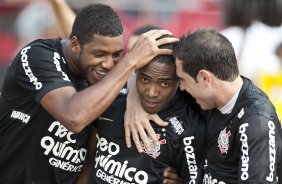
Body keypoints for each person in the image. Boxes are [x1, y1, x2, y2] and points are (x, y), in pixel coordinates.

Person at [0, 3, 177, 183]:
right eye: (100, 54)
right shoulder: (37, 56)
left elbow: (92, 160)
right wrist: (130, 61)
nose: (109, 64)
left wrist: (171, 172)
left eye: (117, 55)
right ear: (75, 44)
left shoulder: (105, 76)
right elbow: (74, 117)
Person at [125, 28, 282, 183]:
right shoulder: (204, 95)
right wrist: (133, 104)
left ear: (204, 78)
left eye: (183, 80)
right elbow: (143, 69)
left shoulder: (257, 122)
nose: (181, 88)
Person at [92, 37, 205, 184]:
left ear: (179, 81)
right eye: (145, 79)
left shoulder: (189, 130)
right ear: (136, 72)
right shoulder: (110, 99)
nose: (151, 92)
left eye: (164, 83)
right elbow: (88, 156)